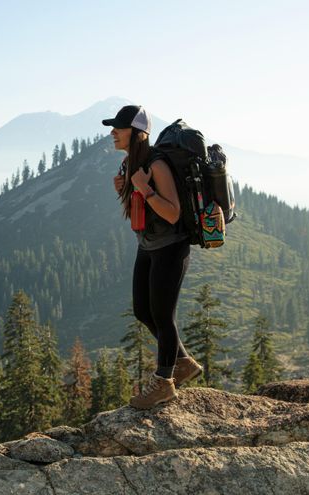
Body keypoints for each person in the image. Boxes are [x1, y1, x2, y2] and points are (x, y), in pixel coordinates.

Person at [104, 105, 204, 409]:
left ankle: (164, 383)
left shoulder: (157, 164)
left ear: (138, 134)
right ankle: (183, 362)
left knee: (162, 316)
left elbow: (172, 213)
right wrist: (125, 188)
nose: (113, 133)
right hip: (148, 245)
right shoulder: (131, 163)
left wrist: (144, 189)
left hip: (171, 247)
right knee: (143, 311)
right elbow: (142, 209)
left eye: (119, 128)